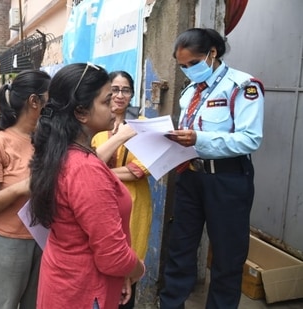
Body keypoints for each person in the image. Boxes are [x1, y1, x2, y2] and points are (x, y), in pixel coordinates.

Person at [160, 28, 265, 309]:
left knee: (227, 256)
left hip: (227, 179)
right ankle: (171, 304)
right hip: (190, 177)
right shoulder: (189, 92)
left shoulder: (243, 86)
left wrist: (199, 139)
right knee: (180, 247)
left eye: (194, 63)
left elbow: (250, 139)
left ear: (212, 53)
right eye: (183, 66)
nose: (189, 70)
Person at [29, 63, 145, 309]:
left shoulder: (62, 153)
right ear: (81, 112)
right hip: (84, 289)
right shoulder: (84, 169)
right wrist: (137, 268)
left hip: (65, 279)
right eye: (105, 101)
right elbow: (112, 255)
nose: (114, 105)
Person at [0, 69, 51, 309]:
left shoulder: (47, 139)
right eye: (51, 98)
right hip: (6, 243)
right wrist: (22, 188)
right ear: (34, 101)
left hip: (43, 239)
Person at [92, 71, 151, 309]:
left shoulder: (144, 125)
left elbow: (143, 167)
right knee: (103, 261)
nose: (119, 95)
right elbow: (85, 162)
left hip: (135, 202)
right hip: (100, 201)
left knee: (129, 262)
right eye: (114, 90)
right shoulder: (94, 123)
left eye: (125, 90)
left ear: (132, 94)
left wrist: (99, 171)